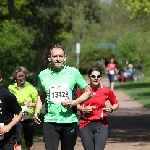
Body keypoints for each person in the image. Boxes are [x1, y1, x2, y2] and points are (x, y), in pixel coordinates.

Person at [33, 44, 91, 150]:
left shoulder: (73, 72)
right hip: (50, 121)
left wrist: (74, 102)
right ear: (49, 58)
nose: (58, 59)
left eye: (60, 56)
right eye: (55, 56)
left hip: (69, 121)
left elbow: (87, 92)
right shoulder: (42, 75)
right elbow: (41, 95)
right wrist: (37, 111)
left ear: (65, 58)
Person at [77, 66, 119, 150]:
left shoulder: (106, 90)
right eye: (93, 76)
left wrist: (111, 109)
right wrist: (83, 109)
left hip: (101, 124)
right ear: (89, 77)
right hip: (85, 124)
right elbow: (75, 104)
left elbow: (116, 104)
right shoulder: (82, 90)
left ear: (101, 77)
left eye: (98, 76)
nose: (96, 78)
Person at [8, 66, 38, 150]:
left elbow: (38, 103)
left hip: (29, 117)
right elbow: (8, 102)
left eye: (23, 76)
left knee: (28, 141)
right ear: (15, 77)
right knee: (18, 140)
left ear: (25, 75)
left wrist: (29, 104)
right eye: (19, 76)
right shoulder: (11, 88)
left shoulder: (30, 87)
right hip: (17, 117)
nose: (21, 78)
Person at [0, 68, 22, 150]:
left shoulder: (7, 95)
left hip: (7, 138)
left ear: (0, 79)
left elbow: (19, 113)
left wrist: (8, 127)